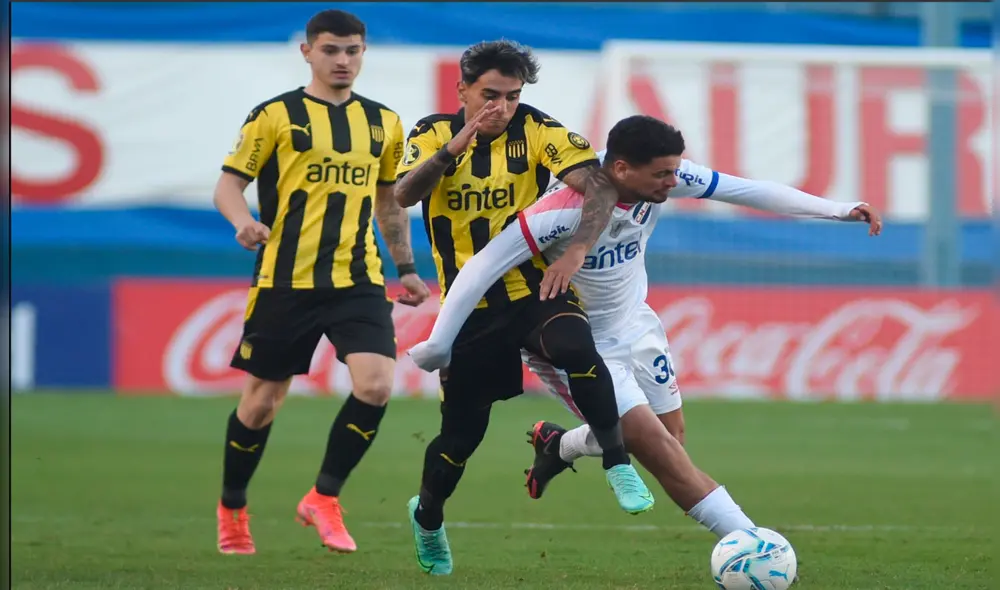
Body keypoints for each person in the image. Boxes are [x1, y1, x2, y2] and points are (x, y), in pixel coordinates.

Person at [409, 114, 882, 542]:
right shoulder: (561, 208)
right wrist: (439, 342)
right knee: (657, 449)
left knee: (671, 438)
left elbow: (745, 189)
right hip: (577, 341)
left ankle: (561, 443)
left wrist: (837, 209)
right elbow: (483, 265)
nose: (673, 182)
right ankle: (749, 541)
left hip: (636, 323)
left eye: (674, 172)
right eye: (662, 175)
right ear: (620, 170)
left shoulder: (663, 177)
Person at [394, 40, 654, 575]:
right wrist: (457, 144)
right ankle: (428, 516)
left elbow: (599, 187)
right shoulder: (430, 133)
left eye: (513, 96)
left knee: (577, 349)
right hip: (469, 307)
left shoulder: (539, 130)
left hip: (533, 286)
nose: (503, 107)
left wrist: (579, 245)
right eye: (491, 95)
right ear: (463, 89)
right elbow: (404, 194)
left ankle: (617, 461)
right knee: (460, 440)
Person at [212, 9, 430, 556]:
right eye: (331, 50)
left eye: (353, 50)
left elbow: (388, 201)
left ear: (363, 53)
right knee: (261, 403)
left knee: (377, 385)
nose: (343, 60)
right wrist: (243, 223)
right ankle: (233, 507)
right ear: (307, 52)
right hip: (285, 279)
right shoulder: (275, 116)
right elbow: (228, 186)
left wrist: (405, 267)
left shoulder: (384, 122)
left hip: (358, 278)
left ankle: (324, 497)